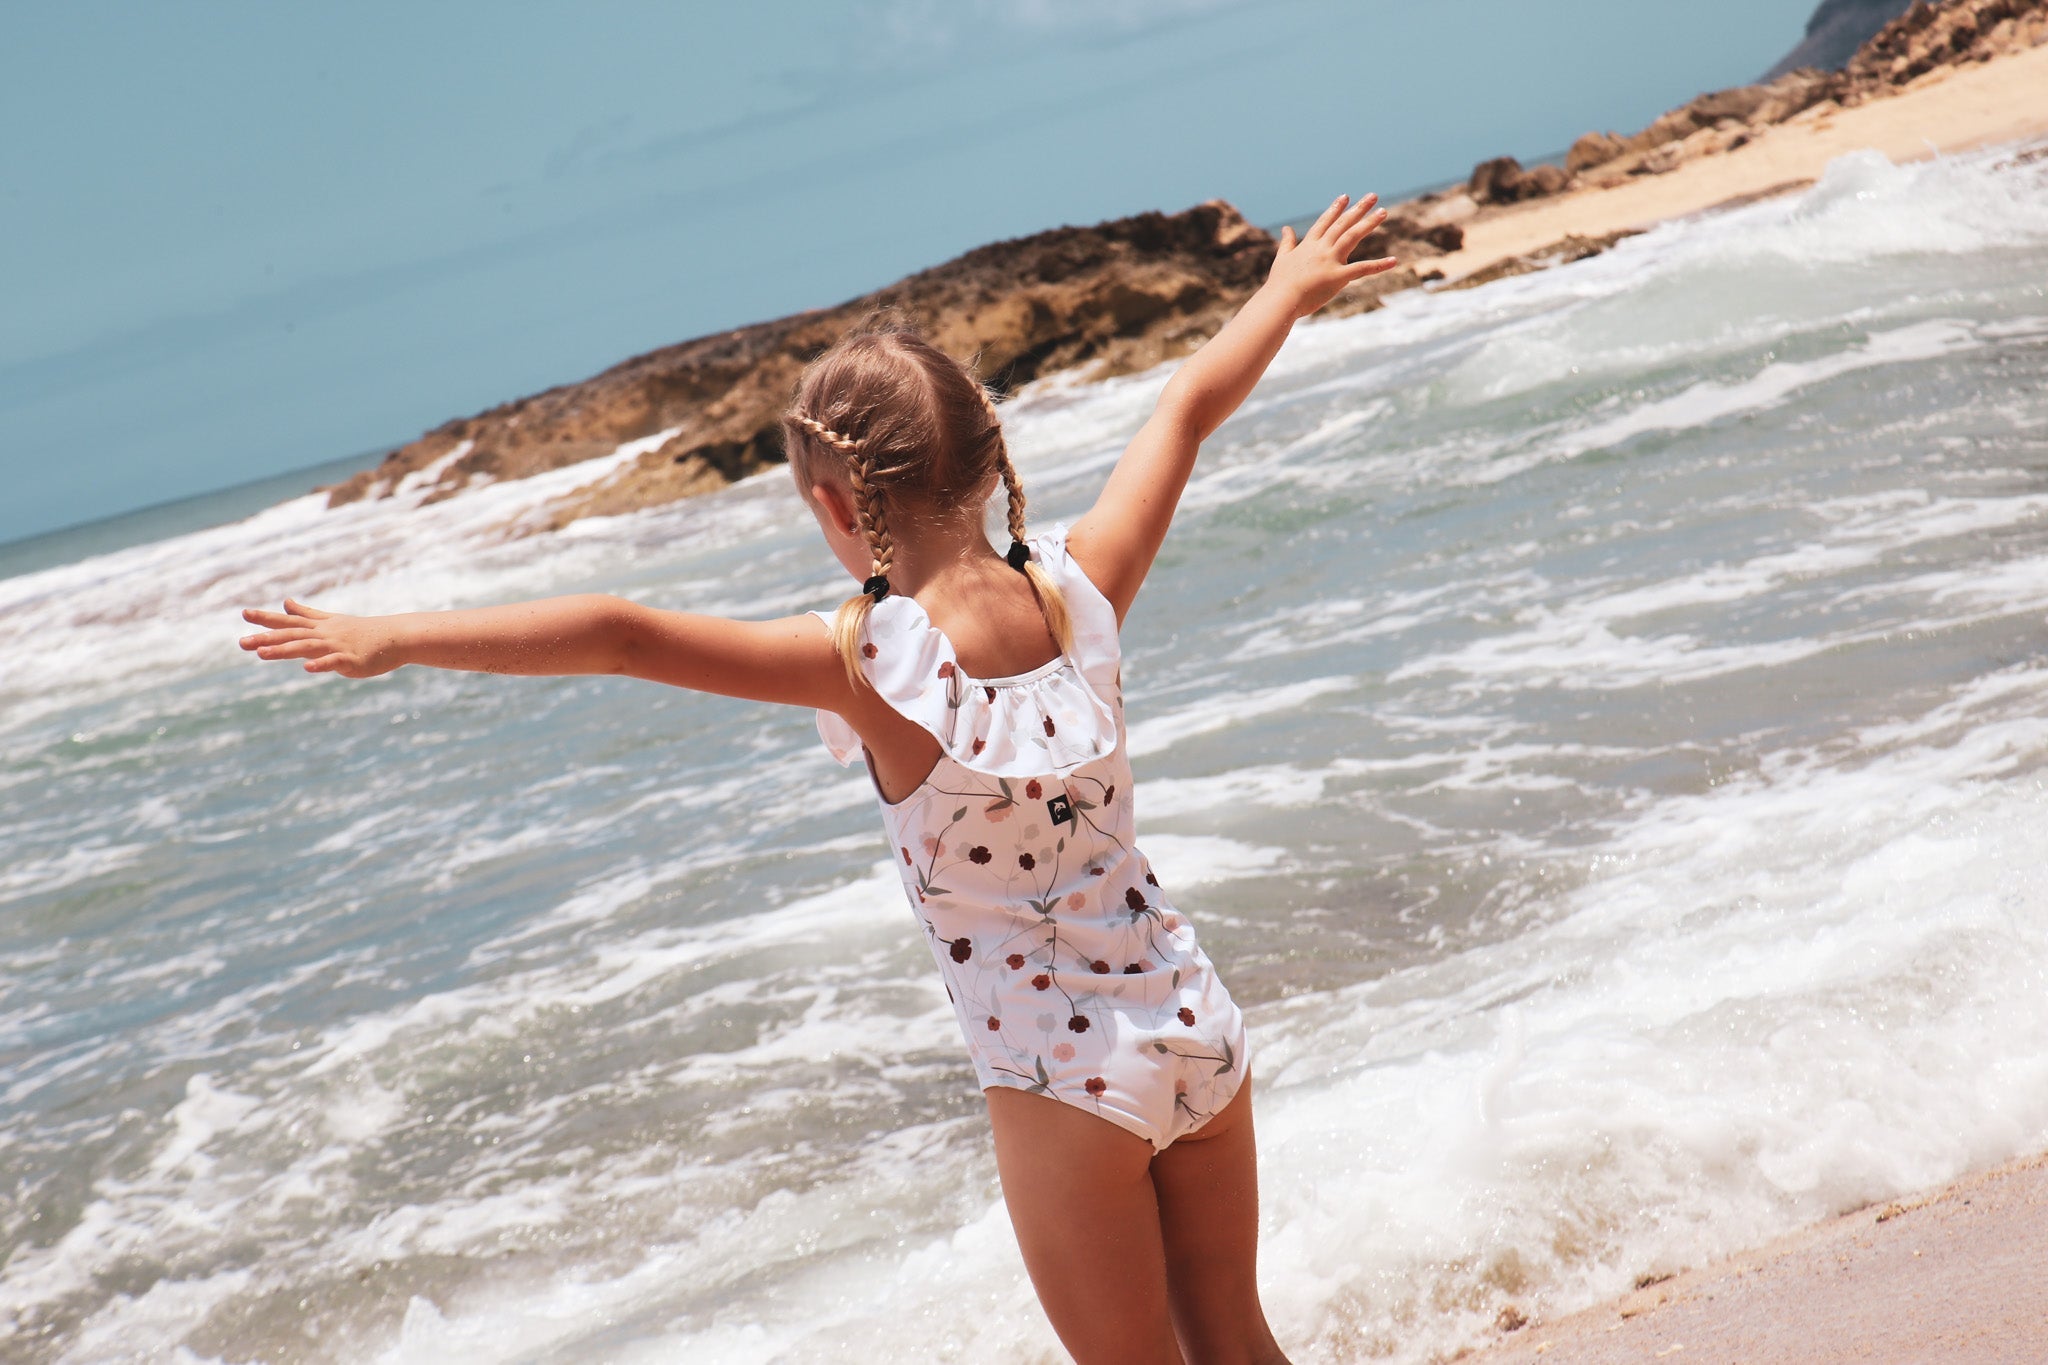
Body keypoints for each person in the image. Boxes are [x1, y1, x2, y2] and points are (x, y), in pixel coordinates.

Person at [240, 192, 1396, 1365]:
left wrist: (396, 635)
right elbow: (1184, 409)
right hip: (1194, 1018)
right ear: (989, 459)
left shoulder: (867, 663)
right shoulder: (1080, 584)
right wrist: (1282, 291)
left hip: (1062, 1081)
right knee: (1238, 1343)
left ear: (838, 507)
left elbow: (620, 633)